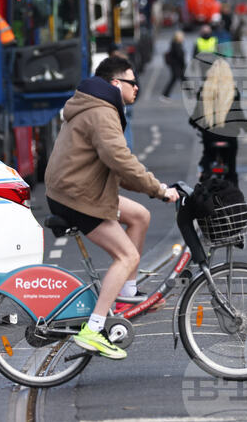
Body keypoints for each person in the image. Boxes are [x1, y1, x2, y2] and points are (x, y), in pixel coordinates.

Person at [43, 56, 179, 359]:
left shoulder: (96, 105)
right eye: (133, 82)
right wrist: (158, 189)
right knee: (127, 255)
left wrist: (154, 189)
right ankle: (94, 328)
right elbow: (119, 159)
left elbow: (117, 169)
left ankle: (127, 293)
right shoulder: (102, 112)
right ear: (116, 84)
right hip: (77, 196)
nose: (137, 87)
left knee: (140, 216)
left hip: (81, 189)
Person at [189, 58, 247, 187]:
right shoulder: (233, 91)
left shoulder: (204, 91)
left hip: (210, 136)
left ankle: (205, 179)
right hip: (229, 136)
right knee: (231, 170)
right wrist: (245, 125)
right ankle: (234, 193)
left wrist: (193, 122)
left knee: (207, 157)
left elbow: (197, 114)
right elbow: (238, 113)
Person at [161, 31, 187, 101]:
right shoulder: (177, 45)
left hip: (176, 65)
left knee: (182, 79)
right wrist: (183, 64)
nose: (183, 38)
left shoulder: (175, 44)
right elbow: (180, 56)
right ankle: (165, 94)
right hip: (177, 65)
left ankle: (189, 93)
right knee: (176, 79)